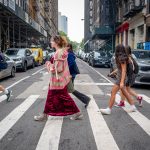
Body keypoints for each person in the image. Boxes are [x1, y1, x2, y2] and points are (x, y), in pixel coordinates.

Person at [34, 35, 83, 121]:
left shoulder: (58, 53)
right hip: (58, 81)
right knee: (53, 98)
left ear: (56, 42)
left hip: (58, 81)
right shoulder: (61, 51)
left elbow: (58, 69)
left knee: (64, 98)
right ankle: (45, 115)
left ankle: (77, 113)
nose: (50, 42)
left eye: (52, 41)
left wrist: (48, 65)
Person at [100, 44, 136, 115]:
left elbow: (124, 70)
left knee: (113, 92)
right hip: (121, 78)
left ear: (117, 50)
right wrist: (112, 73)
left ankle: (109, 109)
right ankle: (132, 105)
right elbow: (119, 69)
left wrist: (122, 82)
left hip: (121, 79)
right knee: (125, 93)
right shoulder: (122, 57)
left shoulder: (121, 58)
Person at [66, 44, 90, 108]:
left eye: (65, 46)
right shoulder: (69, 54)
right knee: (69, 90)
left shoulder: (70, 54)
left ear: (69, 47)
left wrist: (65, 71)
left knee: (69, 90)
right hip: (69, 74)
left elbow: (70, 64)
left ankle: (85, 99)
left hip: (69, 75)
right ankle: (86, 99)